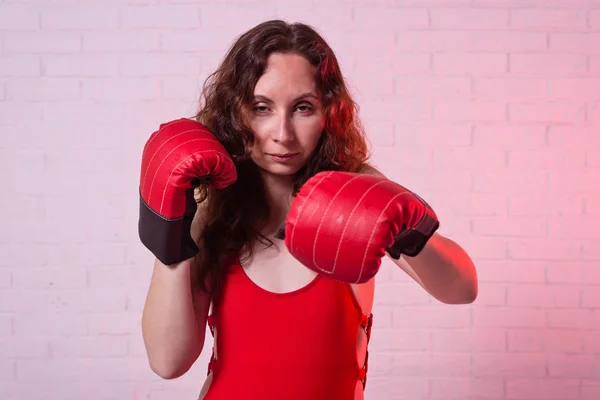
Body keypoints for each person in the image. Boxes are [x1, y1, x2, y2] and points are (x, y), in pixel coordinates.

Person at [137, 20, 478, 400]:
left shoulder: (353, 191)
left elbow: (462, 289)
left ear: (329, 112)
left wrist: (410, 232)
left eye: (302, 107)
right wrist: (167, 234)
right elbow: (168, 362)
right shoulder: (215, 205)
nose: (282, 133)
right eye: (261, 107)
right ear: (237, 112)